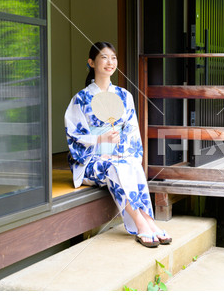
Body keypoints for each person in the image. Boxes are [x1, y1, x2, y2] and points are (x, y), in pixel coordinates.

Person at [64, 41, 171, 247]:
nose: (110, 62)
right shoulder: (81, 99)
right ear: (91, 63)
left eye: (113, 58)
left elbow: (131, 133)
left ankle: (150, 220)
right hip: (90, 162)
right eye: (104, 57)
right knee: (117, 167)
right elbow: (74, 134)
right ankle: (140, 223)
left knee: (129, 164)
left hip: (118, 157)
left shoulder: (124, 96)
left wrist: (122, 153)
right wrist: (100, 139)